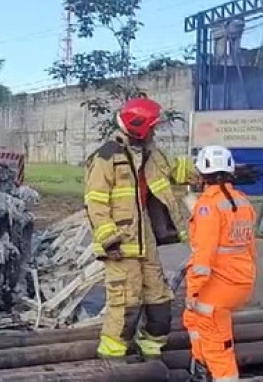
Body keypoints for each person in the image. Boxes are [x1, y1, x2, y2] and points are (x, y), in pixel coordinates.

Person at [83, 97, 195, 361]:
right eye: (153, 127)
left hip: (146, 241)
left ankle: (152, 356)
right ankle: (113, 361)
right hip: (121, 246)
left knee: (160, 301)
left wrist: (220, 172)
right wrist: (109, 240)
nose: (156, 132)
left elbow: (177, 170)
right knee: (126, 306)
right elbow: (95, 202)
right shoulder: (106, 157)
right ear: (141, 126)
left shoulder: (151, 153)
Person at [183, 145, 257, 382]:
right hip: (239, 280)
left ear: (203, 173)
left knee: (217, 342)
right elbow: (250, 248)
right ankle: (201, 370)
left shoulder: (208, 206)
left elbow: (204, 256)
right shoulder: (243, 202)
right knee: (192, 320)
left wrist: (193, 289)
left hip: (217, 284)